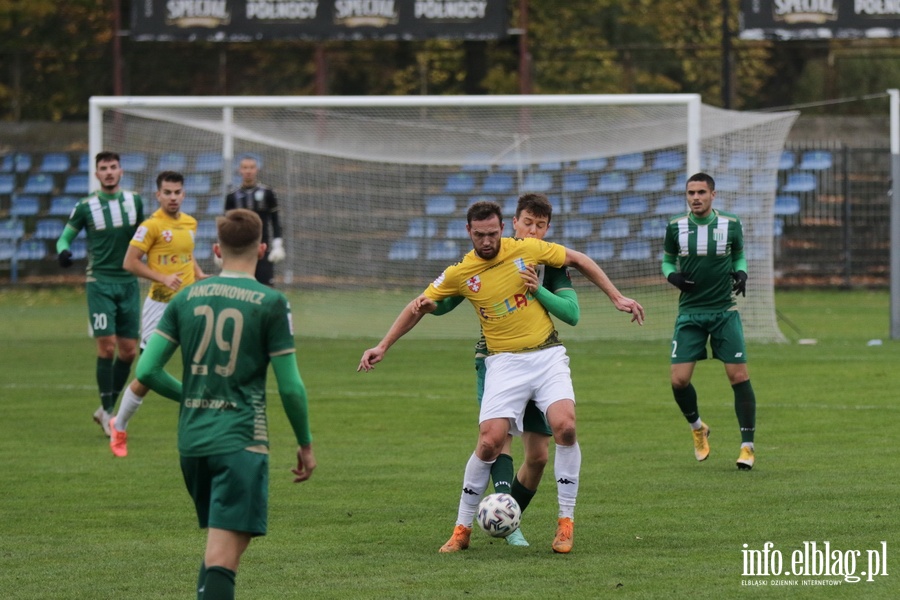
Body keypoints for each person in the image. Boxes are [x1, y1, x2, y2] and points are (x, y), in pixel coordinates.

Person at [358, 200, 644, 554]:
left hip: (547, 355)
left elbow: (579, 260)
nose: (489, 240)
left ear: (502, 229)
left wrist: (616, 297)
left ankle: (565, 523)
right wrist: (383, 345)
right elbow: (422, 304)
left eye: (493, 233)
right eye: (481, 235)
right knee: (490, 441)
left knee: (565, 427)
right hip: (503, 363)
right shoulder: (461, 271)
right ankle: (462, 529)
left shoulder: (526, 249)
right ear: (469, 232)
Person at [135, 208, 315, 600]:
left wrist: (192, 394)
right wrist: (305, 443)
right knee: (224, 553)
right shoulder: (271, 302)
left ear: (216, 250)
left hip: (192, 442)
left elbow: (146, 370)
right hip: (240, 441)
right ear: (262, 249)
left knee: (223, 546)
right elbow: (291, 387)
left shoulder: (185, 298)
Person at [428, 193, 579, 548]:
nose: (533, 231)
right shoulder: (493, 256)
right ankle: (491, 524)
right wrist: (431, 305)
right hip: (495, 358)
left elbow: (572, 315)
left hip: (542, 355)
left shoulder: (548, 260)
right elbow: (450, 297)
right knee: (496, 439)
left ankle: (506, 515)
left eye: (540, 226)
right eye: (528, 223)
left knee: (539, 456)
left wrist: (538, 290)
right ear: (514, 224)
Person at [108, 171, 208, 457]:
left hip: (190, 303)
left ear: (184, 194)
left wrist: (199, 274)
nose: (173, 197)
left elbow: (187, 255)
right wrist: (161, 278)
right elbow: (129, 262)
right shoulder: (150, 226)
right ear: (158, 195)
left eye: (177, 192)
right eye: (168, 192)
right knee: (147, 375)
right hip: (160, 306)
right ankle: (120, 423)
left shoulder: (190, 223)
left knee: (200, 362)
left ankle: (200, 426)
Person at [662, 172, 757, 470]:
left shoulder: (730, 224)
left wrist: (741, 273)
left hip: (724, 312)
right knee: (679, 381)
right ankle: (698, 428)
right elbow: (667, 260)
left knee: (738, 377)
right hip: (690, 313)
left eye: (701, 192)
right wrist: (673, 276)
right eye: (691, 193)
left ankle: (747, 447)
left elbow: (739, 254)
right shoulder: (675, 227)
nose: (695, 198)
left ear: (713, 195)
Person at [56, 151, 145, 437]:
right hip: (100, 283)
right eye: (103, 168)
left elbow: (148, 234)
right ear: (96, 174)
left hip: (129, 283)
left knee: (129, 352)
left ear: (121, 171)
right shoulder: (85, 206)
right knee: (106, 346)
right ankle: (108, 413)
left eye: (113, 167)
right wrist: (63, 251)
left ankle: (106, 408)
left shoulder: (135, 202)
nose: (108, 172)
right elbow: (65, 236)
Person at [224, 155, 285, 286]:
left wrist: (277, 244)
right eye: (245, 168)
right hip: (240, 249)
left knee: (265, 288)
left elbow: (275, 220)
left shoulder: (267, 193)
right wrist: (223, 246)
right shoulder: (232, 196)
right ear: (239, 170)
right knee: (241, 289)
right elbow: (227, 226)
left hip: (262, 248)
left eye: (251, 167)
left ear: (256, 170)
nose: (248, 171)